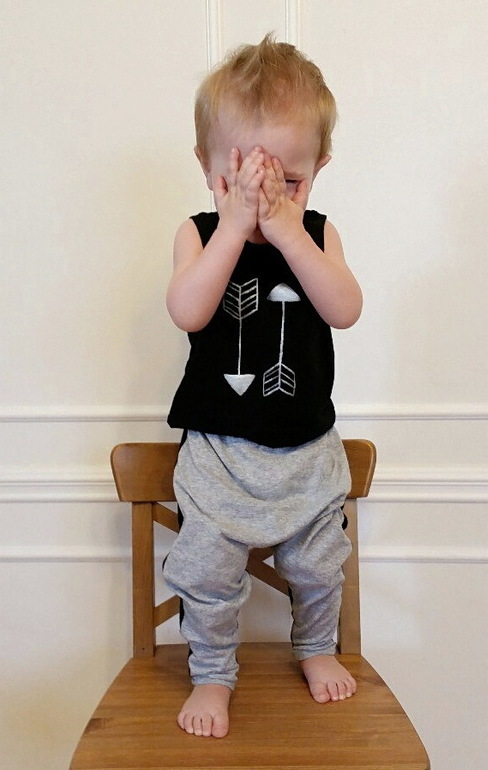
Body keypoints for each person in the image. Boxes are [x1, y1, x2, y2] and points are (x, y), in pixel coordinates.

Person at [163, 33, 363, 739]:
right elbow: (188, 310)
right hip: (219, 454)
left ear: (319, 169)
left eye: (290, 182)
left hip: (306, 453)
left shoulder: (317, 233)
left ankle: (315, 647)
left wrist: (289, 231)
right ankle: (213, 672)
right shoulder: (198, 233)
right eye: (241, 180)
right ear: (207, 166)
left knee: (320, 566)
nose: (266, 198)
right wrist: (233, 226)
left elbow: (345, 308)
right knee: (207, 573)